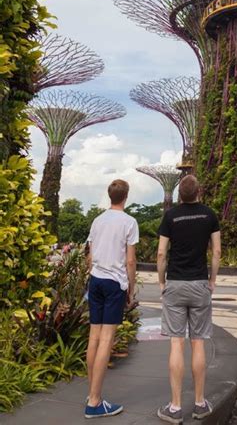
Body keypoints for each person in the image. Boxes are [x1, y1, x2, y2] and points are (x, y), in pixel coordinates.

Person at [156, 174, 221, 423]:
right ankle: (199, 403)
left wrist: (162, 282)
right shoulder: (209, 215)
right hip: (199, 283)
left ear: (179, 194)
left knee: (176, 343)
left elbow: (161, 253)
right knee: (198, 342)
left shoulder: (170, 216)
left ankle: (174, 407)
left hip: (175, 283)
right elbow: (216, 251)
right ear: (199, 192)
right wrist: (212, 279)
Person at [84, 179, 139, 419]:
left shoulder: (98, 220)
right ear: (125, 196)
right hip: (114, 283)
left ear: (110, 196)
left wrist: (92, 273)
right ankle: (95, 402)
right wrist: (130, 288)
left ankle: (91, 393)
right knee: (106, 339)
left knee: (93, 337)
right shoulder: (129, 222)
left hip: (95, 280)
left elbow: (90, 253)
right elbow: (130, 260)